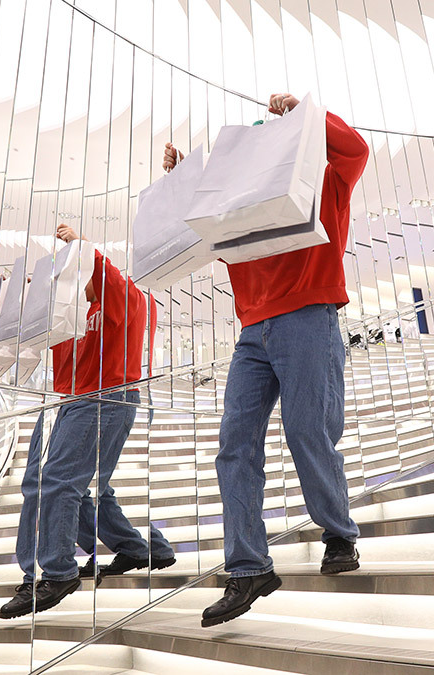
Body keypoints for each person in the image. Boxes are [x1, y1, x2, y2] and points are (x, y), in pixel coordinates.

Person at [162, 93, 369, 628]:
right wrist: (185, 178)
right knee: (234, 443)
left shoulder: (326, 181)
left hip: (308, 315)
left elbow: (355, 150)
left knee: (308, 431)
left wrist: (308, 116)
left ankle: (339, 533)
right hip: (252, 329)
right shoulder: (238, 199)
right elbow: (199, 228)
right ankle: (249, 566)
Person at [0, 224, 175, 620]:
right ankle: (141, 550)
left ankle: (56, 572)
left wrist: (80, 247)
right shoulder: (73, 312)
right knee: (82, 488)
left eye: (76, 275)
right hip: (73, 401)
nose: (72, 283)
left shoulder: (130, 298)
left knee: (59, 483)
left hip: (106, 398)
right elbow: (25, 316)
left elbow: (104, 271)